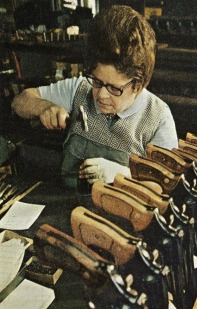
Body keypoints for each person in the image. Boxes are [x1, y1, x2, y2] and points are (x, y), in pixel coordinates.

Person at [12, 5, 178, 188]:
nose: (101, 95)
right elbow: (20, 102)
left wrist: (124, 175)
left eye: (114, 88)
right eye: (97, 82)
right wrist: (43, 107)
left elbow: (165, 186)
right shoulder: (80, 88)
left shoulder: (158, 117)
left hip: (122, 213)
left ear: (138, 85)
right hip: (67, 201)